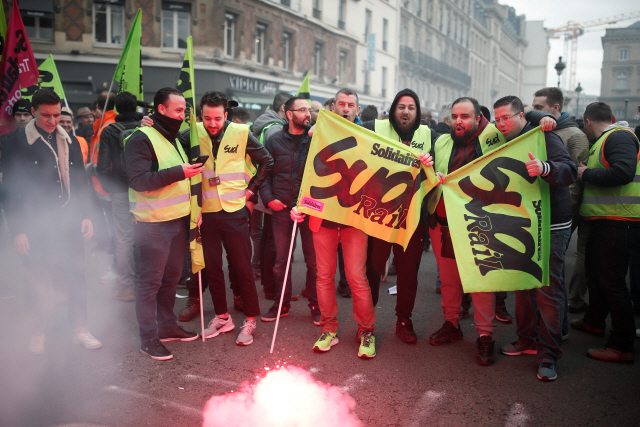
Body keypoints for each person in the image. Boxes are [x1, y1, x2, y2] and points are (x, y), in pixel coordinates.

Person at [3, 89, 101, 355]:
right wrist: (18, 230)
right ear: (33, 112)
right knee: (37, 277)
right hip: (36, 222)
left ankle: (79, 328)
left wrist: (86, 215)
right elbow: (10, 190)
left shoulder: (68, 138)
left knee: (77, 274)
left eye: (57, 114)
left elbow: (80, 179)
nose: (52, 120)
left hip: (69, 219)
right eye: (46, 115)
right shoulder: (16, 142)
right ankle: (38, 331)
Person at [493, 96, 576, 381]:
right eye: (497, 119)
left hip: (552, 225)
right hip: (522, 225)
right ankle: (526, 339)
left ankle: (549, 354)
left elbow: (569, 171)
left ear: (521, 116)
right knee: (523, 285)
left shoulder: (543, 136)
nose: (501, 124)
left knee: (548, 289)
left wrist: (544, 168)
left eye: (506, 118)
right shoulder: (502, 139)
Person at [290, 88, 376, 359]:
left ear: (358, 110)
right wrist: (298, 204)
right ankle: (329, 328)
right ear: (334, 106)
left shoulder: (369, 138)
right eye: (342, 103)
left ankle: (366, 331)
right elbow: (304, 171)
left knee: (356, 278)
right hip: (323, 218)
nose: (346, 108)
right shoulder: (317, 133)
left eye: (351, 104)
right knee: (324, 277)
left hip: (353, 220)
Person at [189, 91, 273, 346]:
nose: (212, 124)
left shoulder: (241, 131)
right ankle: (222, 317)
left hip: (235, 210)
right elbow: (167, 139)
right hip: (208, 212)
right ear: (201, 116)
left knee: (242, 267)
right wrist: (147, 123)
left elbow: (266, 161)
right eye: (207, 118)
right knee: (212, 267)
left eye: (217, 118)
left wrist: (252, 191)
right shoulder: (193, 132)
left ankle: (250, 320)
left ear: (226, 115)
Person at [428, 97, 508, 366]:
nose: (458, 121)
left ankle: (485, 335)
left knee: (480, 280)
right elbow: (431, 173)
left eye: (464, 116)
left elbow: (521, 131)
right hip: (443, 221)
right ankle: (451, 324)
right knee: (449, 279)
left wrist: (544, 120)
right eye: (454, 116)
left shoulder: (495, 137)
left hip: (481, 222)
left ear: (478, 118)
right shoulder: (441, 141)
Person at [125, 87, 203, 361]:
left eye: (185, 111)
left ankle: (167, 326)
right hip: (152, 224)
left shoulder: (173, 140)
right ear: (161, 109)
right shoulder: (141, 138)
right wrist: (178, 172)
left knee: (170, 281)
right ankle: (148, 338)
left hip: (177, 222)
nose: (183, 116)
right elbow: (139, 181)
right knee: (150, 283)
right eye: (178, 110)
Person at [361, 89, 438, 343]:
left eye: (411, 108)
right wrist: (317, 129)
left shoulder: (430, 136)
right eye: (401, 107)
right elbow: (345, 130)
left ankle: (404, 321)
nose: (406, 112)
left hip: (413, 220)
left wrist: (432, 164)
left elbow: (443, 167)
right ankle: (366, 322)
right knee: (372, 271)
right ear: (394, 109)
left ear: (418, 113)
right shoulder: (375, 127)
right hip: (379, 216)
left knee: (408, 274)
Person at [571, 102, 639, 364]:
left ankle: (622, 345)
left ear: (587, 121)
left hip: (620, 221)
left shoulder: (618, 137)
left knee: (612, 283)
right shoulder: (606, 140)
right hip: (606, 220)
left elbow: (623, 172)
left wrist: (586, 173)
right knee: (597, 276)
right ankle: (594, 322)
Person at [260, 96, 320, 324]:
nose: (308, 114)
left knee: (313, 262)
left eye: (309, 110)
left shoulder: (316, 139)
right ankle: (281, 303)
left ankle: (315, 304)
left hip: (310, 209)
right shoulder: (274, 141)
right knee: (281, 261)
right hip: (281, 209)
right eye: (302, 110)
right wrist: (269, 199)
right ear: (289, 113)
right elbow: (264, 173)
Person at [532, 88, 590, 318]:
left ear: (555, 108)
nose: (534, 111)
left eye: (539, 108)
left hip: (560, 213)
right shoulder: (540, 128)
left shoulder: (574, 136)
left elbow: (575, 177)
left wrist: (568, 215)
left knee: (554, 277)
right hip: (541, 211)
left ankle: (559, 325)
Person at [96, 92, 141, 302]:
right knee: (148, 236)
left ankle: (127, 287)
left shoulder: (109, 130)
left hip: (121, 190)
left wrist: (110, 188)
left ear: (115, 109)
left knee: (124, 238)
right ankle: (149, 284)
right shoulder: (146, 127)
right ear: (135, 107)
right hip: (146, 189)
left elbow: (102, 165)